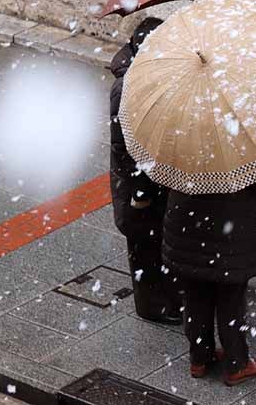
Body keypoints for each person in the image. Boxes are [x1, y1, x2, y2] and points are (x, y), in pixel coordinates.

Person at [108, 16, 182, 323]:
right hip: (137, 186)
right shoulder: (125, 87)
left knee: (155, 242)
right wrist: (140, 190)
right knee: (144, 246)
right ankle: (152, 308)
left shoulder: (143, 76)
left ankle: (166, 300)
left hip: (150, 179)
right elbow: (123, 146)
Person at [161, 180, 256, 385]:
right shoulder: (241, 149)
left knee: (194, 296)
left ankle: (200, 358)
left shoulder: (179, 149)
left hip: (186, 226)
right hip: (231, 230)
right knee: (231, 300)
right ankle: (237, 364)